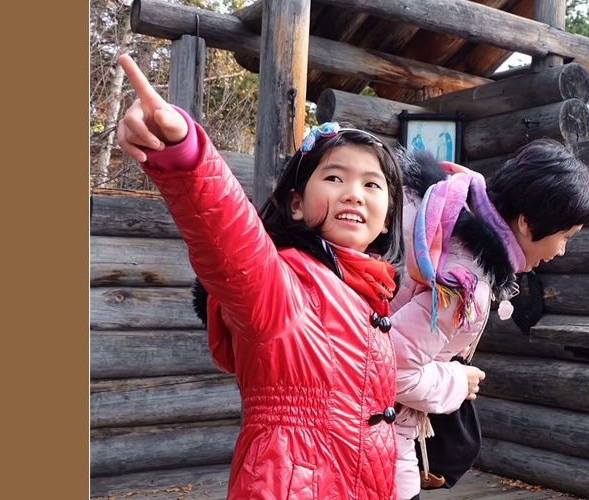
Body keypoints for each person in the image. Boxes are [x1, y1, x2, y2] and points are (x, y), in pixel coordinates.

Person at [115, 54, 406, 499]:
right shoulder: (284, 283)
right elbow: (232, 242)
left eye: (372, 184)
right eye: (334, 177)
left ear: (387, 218)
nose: (354, 194)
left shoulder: (371, 294)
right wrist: (185, 155)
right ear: (296, 203)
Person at [388, 140, 589, 500]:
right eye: (564, 236)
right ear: (527, 223)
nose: (561, 251)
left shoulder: (434, 212)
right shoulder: (465, 282)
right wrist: (458, 381)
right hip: (378, 440)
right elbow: (383, 368)